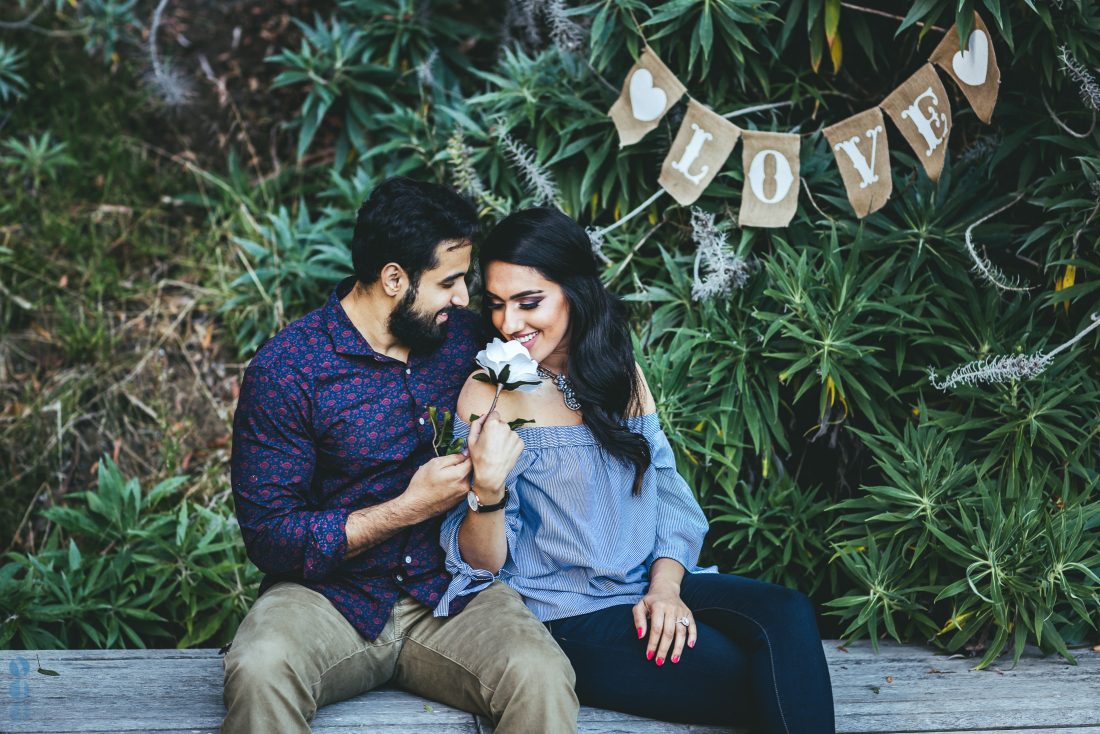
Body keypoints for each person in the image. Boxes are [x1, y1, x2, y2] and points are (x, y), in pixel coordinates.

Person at [434, 207, 836, 734]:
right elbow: (482, 565)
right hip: (564, 613)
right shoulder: (490, 396)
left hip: (648, 585)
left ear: (575, 291)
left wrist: (666, 589)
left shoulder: (617, 372)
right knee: (757, 676)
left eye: (530, 302)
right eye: (498, 305)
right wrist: (486, 489)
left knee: (786, 613)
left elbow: (665, 490)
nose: (510, 324)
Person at [223, 180, 578, 733]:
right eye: (450, 282)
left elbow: (564, 351)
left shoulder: (467, 342)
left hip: (450, 593)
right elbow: (270, 537)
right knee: (261, 667)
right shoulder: (288, 370)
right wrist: (408, 507)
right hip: (329, 599)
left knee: (539, 673)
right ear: (394, 279)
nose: (464, 299)